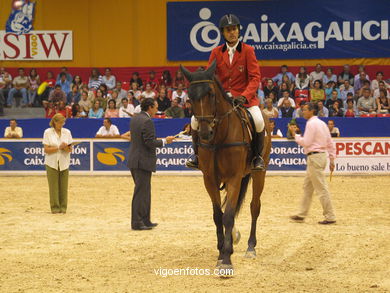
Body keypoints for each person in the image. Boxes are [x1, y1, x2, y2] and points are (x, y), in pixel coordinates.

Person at [188, 14, 265, 171]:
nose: (232, 32)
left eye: (234, 29)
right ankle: (196, 156)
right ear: (223, 32)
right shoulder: (216, 52)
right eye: (228, 30)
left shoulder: (248, 51)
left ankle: (257, 157)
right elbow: (210, 76)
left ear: (238, 31)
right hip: (220, 99)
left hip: (243, 99)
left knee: (258, 121)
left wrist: (244, 96)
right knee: (194, 121)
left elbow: (255, 77)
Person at [127, 98, 174, 230]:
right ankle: (137, 222)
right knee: (141, 192)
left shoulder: (135, 118)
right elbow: (149, 142)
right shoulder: (147, 121)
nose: (156, 110)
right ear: (150, 107)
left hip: (135, 159)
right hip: (142, 160)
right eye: (155, 108)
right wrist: (165, 141)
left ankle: (145, 220)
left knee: (144, 191)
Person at [289, 102, 336, 225]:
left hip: (314, 157)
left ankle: (330, 216)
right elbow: (330, 142)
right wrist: (332, 159)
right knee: (308, 187)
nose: (303, 112)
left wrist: (295, 135)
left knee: (321, 188)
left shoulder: (311, 124)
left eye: (305, 110)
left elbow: (306, 142)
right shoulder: (322, 124)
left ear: (311, 111)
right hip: (320, 157)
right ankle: (301, 214)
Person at [42, 113, 73, 214]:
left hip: (64, 162)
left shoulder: (67, 132)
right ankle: (55, 208)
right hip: (51, 162)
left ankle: (63, 208)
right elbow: (46, 149)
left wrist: (66, 147)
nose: (62, 125)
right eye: (60, 123)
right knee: (53, 187)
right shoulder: (47, 132)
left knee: (64, 187)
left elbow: (70, 150)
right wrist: (58, 147)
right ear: (54, 122)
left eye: (63, 123)